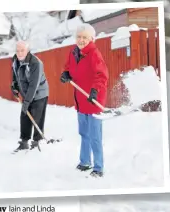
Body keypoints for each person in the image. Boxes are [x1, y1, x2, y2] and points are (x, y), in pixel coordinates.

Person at [60, 24, 109, 177]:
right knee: (84, 133)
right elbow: (68, 67)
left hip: (93, 100)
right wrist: (66, 74)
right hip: (81, 100)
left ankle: (98, 167)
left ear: (91, 39)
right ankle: (85, 162)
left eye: (85, 37)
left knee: (95, 136)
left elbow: (101, 75)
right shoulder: (73, 52)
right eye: (79, 37)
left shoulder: (94, 54)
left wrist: (95, 90)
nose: (81, 40)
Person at [11, 41, 49, 150]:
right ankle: (24, 141)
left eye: (22, 50)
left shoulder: (35, 63)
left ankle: (36, 141)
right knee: (24, 115)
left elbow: (34, 85)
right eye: (17, 50)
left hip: (39, 92)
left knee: (37, 116)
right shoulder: (15, 61)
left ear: (28, 51)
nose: (19, 53)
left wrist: (26, 101)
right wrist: (14, 86)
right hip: (27, 92)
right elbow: (15, 76)